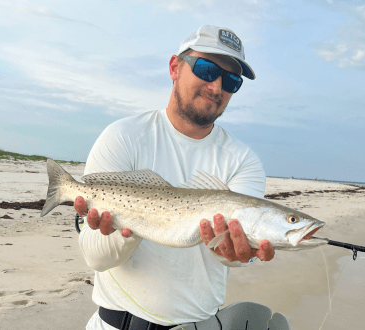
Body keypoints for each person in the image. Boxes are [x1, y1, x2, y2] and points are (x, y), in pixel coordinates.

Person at [74, 25, 275, 330]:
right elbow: (95, 258)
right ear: (174, 68)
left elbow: (236, 251)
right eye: (207, 69)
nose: (217, 86)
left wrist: (237, 255)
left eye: (232, 80)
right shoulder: (123, 136)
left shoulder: (243, 160)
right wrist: (130, 226)